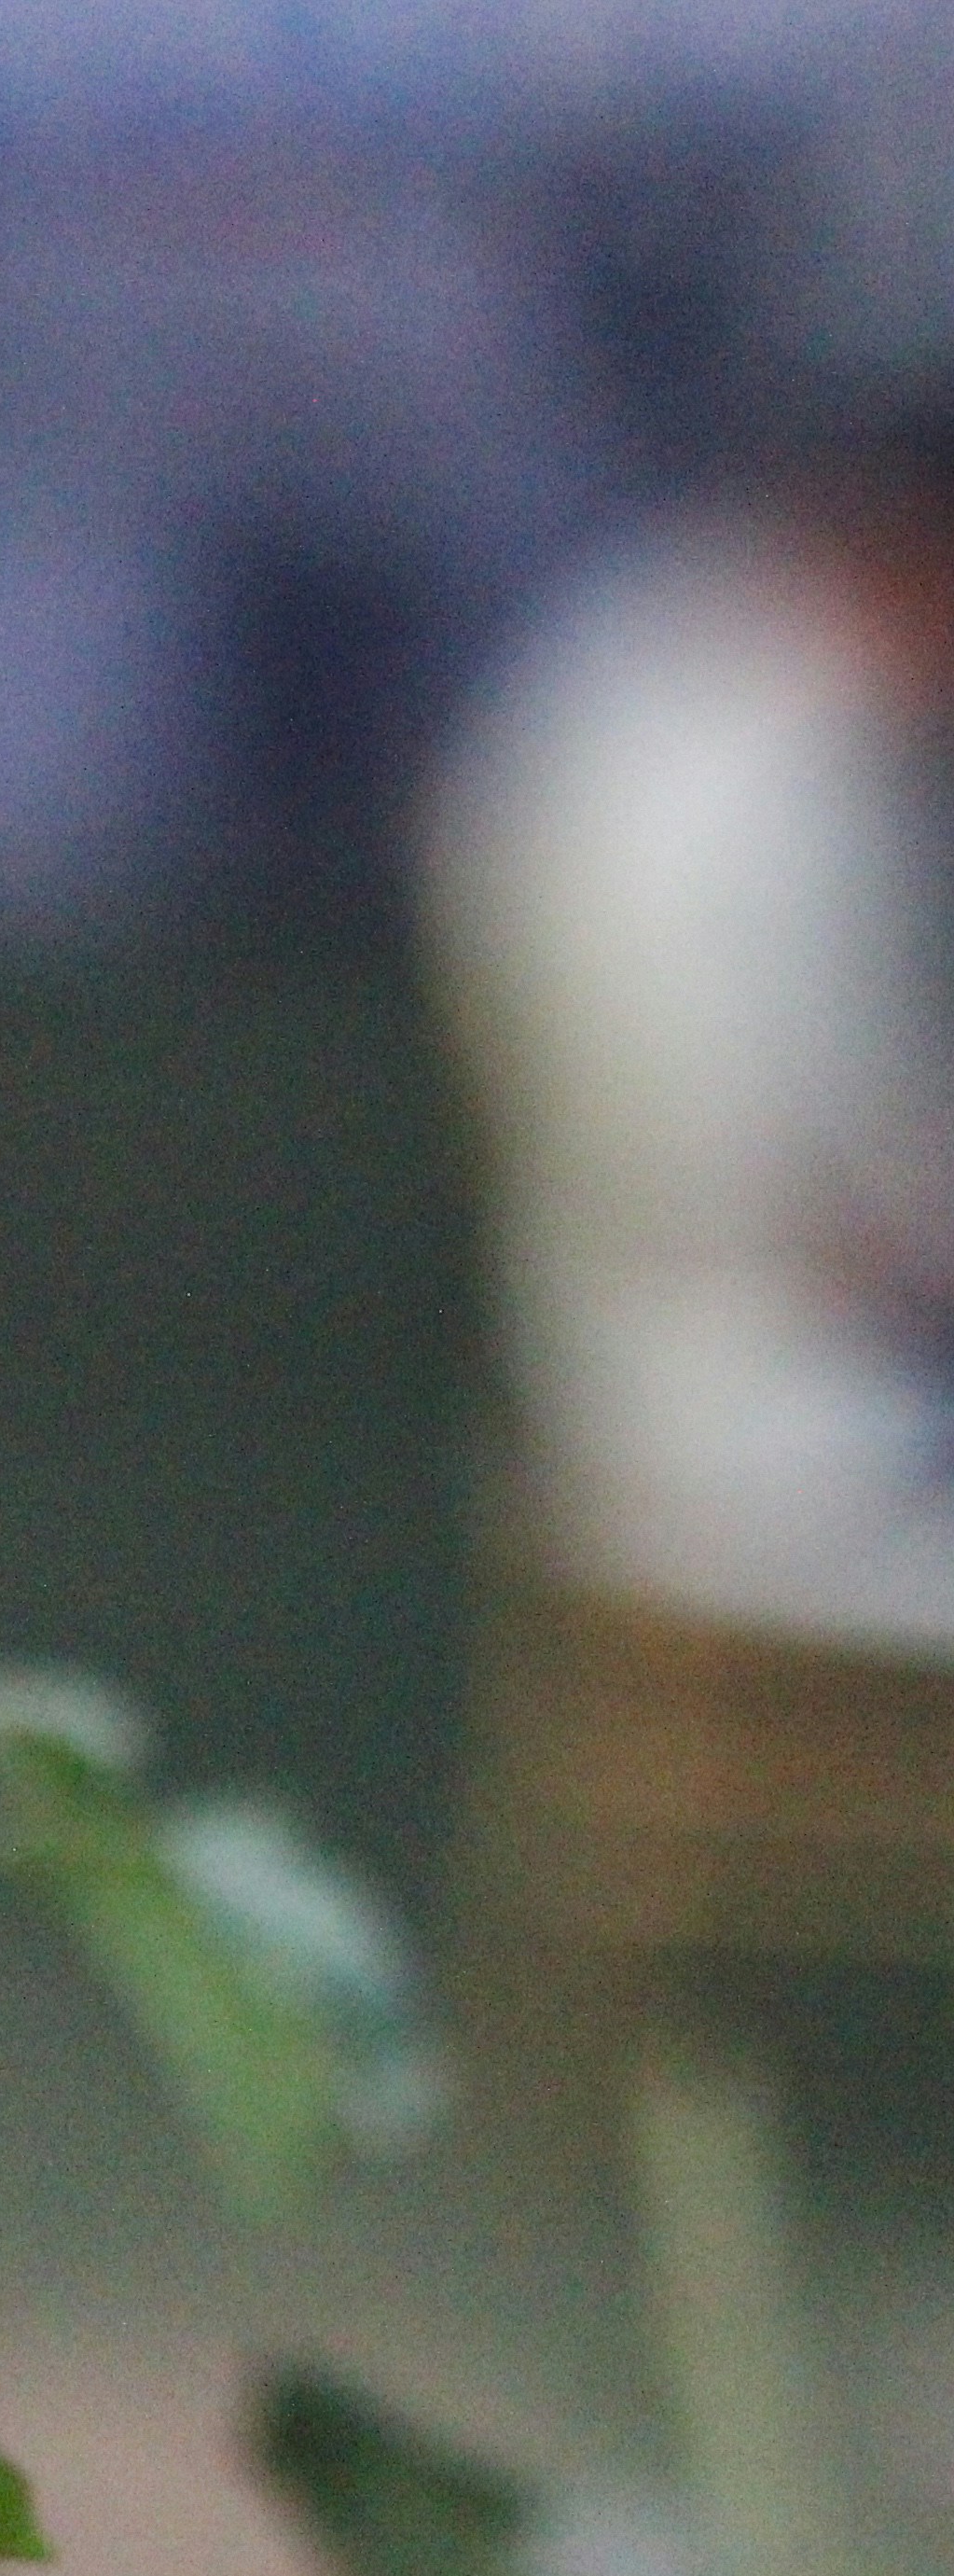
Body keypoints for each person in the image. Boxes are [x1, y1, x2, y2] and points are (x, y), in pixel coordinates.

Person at [424, 380, 954, 1648]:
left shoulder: (638, 674)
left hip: (648, 1391)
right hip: (781, 1450)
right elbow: (815, 1210)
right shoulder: (751, 787)